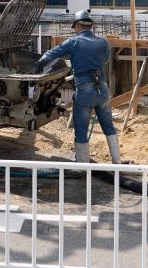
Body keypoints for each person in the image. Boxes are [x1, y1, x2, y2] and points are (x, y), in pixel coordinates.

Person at [36, 10, 121, 164]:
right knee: (108, 126)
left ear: (77, 26)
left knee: (81, 130)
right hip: (102, 89)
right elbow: (106, 60)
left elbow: (49, 56)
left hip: (84, 90)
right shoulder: (103, 43)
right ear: (90, 26)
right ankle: (117, 162)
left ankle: (82, 165)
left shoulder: (73, 42)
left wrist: (38, 66)